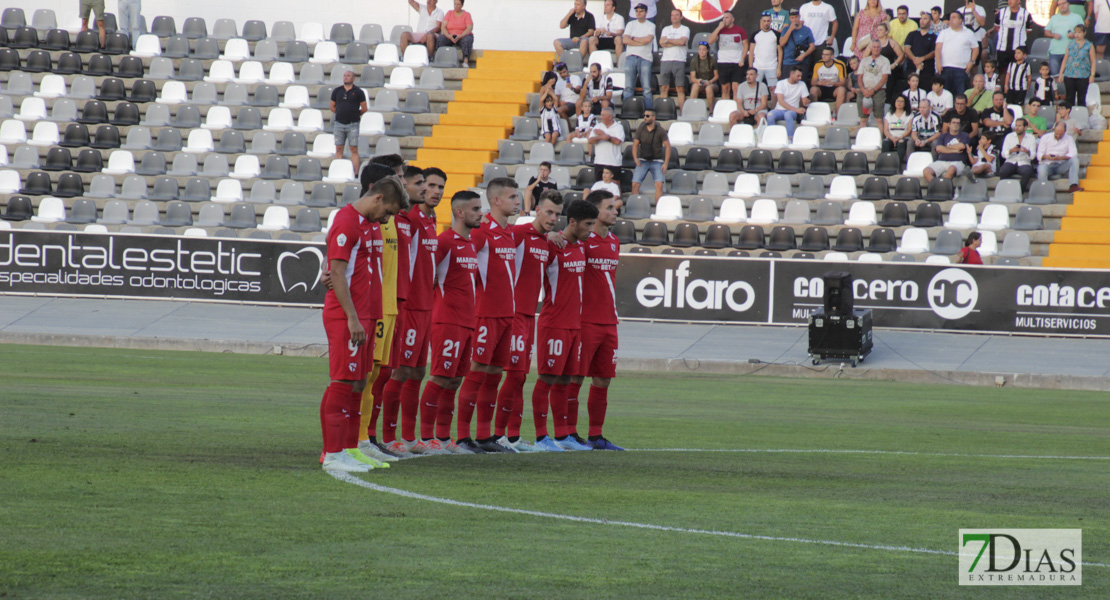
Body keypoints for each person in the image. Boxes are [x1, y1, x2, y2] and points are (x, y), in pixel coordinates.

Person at [318, 176, 406, 472]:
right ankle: (333, 453)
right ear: (377, 199)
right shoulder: (349, 222)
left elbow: (333, 258)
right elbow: (339, 274)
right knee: (343, 382)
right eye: (389, 211)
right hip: (348, 316)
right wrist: (353, 318)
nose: (388, 218)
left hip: (366, 315)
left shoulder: (368, 224)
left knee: (358, 383)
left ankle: (350, 448)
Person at [454, 178, 521, 453]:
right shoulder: (482, 232)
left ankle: (484, 436)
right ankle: (462, 437)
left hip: (507, 316)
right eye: (513, 197)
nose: (518, 201)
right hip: (484, 315)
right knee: (477, 372)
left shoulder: (510, 233)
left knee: (494, 374)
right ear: (496, 200)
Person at [492, 189, 563, 452]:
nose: (553, 218)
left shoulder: (547, 241)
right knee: (513, 376)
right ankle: (499, 435)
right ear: (537, 210)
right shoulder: (518, 234)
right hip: (512, 316)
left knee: (519, 377)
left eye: (557, 214)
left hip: (529, 316)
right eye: (548, 212)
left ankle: (512, 437)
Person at [383, 166, 445, 456]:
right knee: (399, 370)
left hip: (425, 306)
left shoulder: (429, 221)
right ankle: (386, 436)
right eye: (426, 184)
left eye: (436, 186)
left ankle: (409, 437)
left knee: (418, 371)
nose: (431, 191)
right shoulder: (404, 218)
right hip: (407, 305)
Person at [530, 199, 599, 452]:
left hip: (574, 325)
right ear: (572, 222)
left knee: (565, 380)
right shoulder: (552, 245)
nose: (591, 229)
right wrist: (548, 235)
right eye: (588, 224)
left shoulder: (581, 246)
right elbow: (532, 241)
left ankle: (562, 435)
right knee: (547, 378)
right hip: (554, 323)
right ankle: (540, 437)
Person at [421, 190, 483, 454]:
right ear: (460, 212)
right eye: (476, 209)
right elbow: (426, 276)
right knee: (439, 377)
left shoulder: (469, 243)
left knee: (454, 381)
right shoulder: (444, 241)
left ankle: (444, 438)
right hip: (447, 322)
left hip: (468, 323)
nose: (480, 213)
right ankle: (425, 438)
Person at [568, 190, 624, 451]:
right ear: (596, 211)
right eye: (610, 207)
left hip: (609, 321)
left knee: (603, 379)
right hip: (585, 321)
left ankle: (596, 436)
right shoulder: (582, 242)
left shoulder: (614, 241)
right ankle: (567, 433)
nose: (615, 212)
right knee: (575, 378)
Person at [330, 71, 367, 171]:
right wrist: (339, 113)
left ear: (353, 78)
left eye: (348, 76)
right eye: (344, 75)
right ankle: (337, 171)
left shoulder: (359, 92)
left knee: (354, 150)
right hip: (339, 124)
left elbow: (364, 108)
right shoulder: (337, 91)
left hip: (353, 125)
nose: (346, 78)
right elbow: (332, 106)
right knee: (338, 149)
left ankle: (355, 173)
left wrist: (355, 114)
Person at [936, 11, 980, 96]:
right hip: (945, 68)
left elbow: (975, 48)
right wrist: (938, 62)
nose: (951, 19)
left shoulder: (969, 33)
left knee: (960, 94)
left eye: (954, 17)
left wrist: (972, 61)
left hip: (961, 69)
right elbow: (938, 48)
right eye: (950, 18)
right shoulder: (944, 32)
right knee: (944, 93)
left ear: (960, 20)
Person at [622, 3, 657, 109]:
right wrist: (640, 41)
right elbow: (625, 40)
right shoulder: (630, 24)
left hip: (645, 58)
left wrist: (633, 38)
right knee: (628, 87)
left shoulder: (651, 25)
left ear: (646, 12)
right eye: (637, 11)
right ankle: (627, 110)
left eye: (641, 11)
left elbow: (648, 40)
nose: (638, 13)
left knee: (646, 88)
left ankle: (649, 112)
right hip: (631, 57)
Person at [709, 11, 749, 101]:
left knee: (736, 88)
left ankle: (735, 110)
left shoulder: (740, 30)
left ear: (732, 19)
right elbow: (710, 41)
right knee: (725, 89)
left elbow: (746, 45)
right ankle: (726, 110)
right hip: (723, 62)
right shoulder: (720, 30)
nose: (725, 19)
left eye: (727, 17)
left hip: (736, 63)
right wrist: (719, 27)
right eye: (723, 18)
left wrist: (742, 59)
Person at [631, 108, 670, 199]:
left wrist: (665, 163)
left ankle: (658, 209)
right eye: (644, 116)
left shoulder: (660, 130)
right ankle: (634, 206)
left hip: (657, 161)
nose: (645, 118)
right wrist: (635, 158)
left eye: (647, 116)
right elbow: (635, 145)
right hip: (642, 160)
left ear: (654, 117)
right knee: (635, 184)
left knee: (659, 185)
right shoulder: (641, 129)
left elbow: (668, 146)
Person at [1037, 120, 1083, 192]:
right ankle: (1043, 190)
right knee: (1041, 169)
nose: (1058, 136)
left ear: (1065, 131)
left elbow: (1074, 154)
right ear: (1054, 129)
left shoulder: (1069, 138)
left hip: (1061, 164)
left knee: (1075, 160)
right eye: (1056, 133)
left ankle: (1073, 186)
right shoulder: (1045, 137)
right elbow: (1039, 154)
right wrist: (1047, 157)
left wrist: (1060, 157)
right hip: (1047, 164)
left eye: (1061, 134)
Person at [923, 115, 971, 182]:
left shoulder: (964, 135)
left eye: (958, 123)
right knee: (926, 171)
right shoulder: (943, 136)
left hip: (957, 162)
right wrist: (955, 151)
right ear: (949, 124)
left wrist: (946, 146)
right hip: (941, 161)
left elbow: (961, 146)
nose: (956, 124)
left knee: (951, 169)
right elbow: (939, 148)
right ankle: (937, 187)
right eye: (954, 122)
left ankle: (943, 188)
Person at [658, 9, 691, 109]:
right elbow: (662, 43)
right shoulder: (666, 29)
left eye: (677, 15)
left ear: (681, 17)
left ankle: (682, 112)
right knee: (664, 87)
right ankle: (663, 110)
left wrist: (668, 41)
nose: (674, 17)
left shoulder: (685, 29)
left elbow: (682, 42)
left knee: (680, 88)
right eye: (672, 15)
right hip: (666, 60)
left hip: (679, 60)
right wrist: (676, 42)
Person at [1059, 24, 1097, 108]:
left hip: (1083, 75)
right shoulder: (1070, 44)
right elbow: (1065, 59)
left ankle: (1081, 116)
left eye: (1079, 32)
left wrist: (1092, 75)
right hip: (1069, 74)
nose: (1077, 35)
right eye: (1075, 32)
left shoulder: (1089, 45)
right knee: (1069, 97)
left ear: (1084, 33)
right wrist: (1061, 73)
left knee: (1081, 98)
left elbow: (1093, 61)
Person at [993, 0, 1033, 77]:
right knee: (1002, 71)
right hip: (1002, 48)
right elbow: (996, 27)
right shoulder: (1001, 12)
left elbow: (1028, 30)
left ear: (1018, 1)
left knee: (1017, 72)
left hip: (1018, 49)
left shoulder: (1026, 14)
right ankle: (1003, 88)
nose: (1009, 1)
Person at [767, 66, 810, 138]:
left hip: (792, 112)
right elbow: (781, 102)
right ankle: (772, 137)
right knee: (770, 115)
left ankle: (790, 138)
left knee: (788, 115)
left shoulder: (802, 84)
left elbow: (804, 100)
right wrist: (796, 110)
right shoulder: (781, 83)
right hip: (781, 110)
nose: (800, 78)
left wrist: (806, 101)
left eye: (800, 76)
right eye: (798, 76)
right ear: (791, 75)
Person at [1047, 0, 1085, 76]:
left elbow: (1083, 32)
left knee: (1070, 76)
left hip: (1072, 51)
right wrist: (1053, 35)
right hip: (1055, 52)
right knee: (1055, 76)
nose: (1062, 6)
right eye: (1059, 4)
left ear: (1068, 4)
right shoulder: (1054, 18)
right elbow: (1046, 32)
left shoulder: (1077, 17)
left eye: (1064, 3)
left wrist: (1074, 35)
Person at [857, 40, 891, 121]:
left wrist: (873, 90)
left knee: (879, 119)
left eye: (878, 47)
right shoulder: (864, 60)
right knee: (863, 119)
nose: (876, 49)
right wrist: (863, 90)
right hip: (864, 90)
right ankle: (863, 133)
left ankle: (880, 134)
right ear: (871, 48)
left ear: (881, 48)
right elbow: (859, 77)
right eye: (874, 47)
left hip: (878, 91)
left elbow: (884, 78)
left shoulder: (885, 61)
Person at [999, 117, 1038, 188]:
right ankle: (1006, 190)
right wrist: (1011, 150)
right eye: (1016, 125)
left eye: (1019, 126)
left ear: (1025, 127)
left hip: (1024, 162)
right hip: (1011, 161)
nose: (1017, 128)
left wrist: (1027, 151)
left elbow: (1033, 156)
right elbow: (1003, 154)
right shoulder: (1009, 136)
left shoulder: (1031, 138)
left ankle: (1019, 191)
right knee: (1003, 171)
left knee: (1027, 172)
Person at [809, 47, 847, 117]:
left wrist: (832, 83)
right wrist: (818, 83)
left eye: (826, 55)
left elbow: (843, 83)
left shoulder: (840, 64)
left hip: (834, 88)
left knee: (842, 90)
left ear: (832, 56)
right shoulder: (818, 64)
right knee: (813, 90)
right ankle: (814, 115)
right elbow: (812, 82)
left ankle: (838, 116)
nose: (823, 56)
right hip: (821, 88)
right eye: (823, 54)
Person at [903, 12, 938, 90]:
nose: (922, 21)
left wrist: (922, 59)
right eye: (921, 18)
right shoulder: (912, 34)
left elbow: (933, 52)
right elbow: (907, 49)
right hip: (911, 68)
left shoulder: (934, 36)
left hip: (927, 70)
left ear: (931, 22)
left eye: (925, 19)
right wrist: (915, 60)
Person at [780, 9, 816, 82]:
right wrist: (790, 30)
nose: (794, 19)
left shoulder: (806, 30)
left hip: (802, 62)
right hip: (788, 62)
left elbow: (812, 46)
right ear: (789, 19)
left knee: (801, 83)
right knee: (787, 83)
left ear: (799, 17)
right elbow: (782, 43)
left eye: (796, 17)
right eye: (792, 18)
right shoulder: (785, 29)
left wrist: (804, 55)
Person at [589, 107, 625, 180]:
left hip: (614, 162)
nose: (601, 117)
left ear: (610, 117)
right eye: (601, 115)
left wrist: (605, 135)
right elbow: (590, 140)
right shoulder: (598, 126)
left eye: (603, 115)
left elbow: (618, 141)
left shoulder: (618, 127)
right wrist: (601, 137)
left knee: (615, 184)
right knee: (599, 185)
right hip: (599, 161)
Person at [435, 0, 474, 68]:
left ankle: (465, 61)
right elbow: (443, 27)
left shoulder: (467, 15)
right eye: (455, 4)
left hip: (462, 35)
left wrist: (460, 36)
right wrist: (449, 36)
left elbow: (469, 28)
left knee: (467, 40)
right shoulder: (449, 13)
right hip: (450, 35)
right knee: (441, 39)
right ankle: (440, 59)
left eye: (458, 4)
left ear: (462, 5)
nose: (456, 6)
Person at [750, 14, 783, 89]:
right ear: (761, 21)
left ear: (771, 21)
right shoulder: (755, 35)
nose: (766, 23)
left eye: (768, 21)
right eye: (764, 21)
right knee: (756, 89)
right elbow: (751, 52)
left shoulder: (776, 34)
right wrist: (750, 67)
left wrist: (779, 67)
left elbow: (780, 51)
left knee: (773, 89)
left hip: (772, 66)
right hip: (757, 67)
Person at [875, 22, 907, 98]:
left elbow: (902, 55)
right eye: (877, 30)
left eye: (881, 30)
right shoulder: (873, 43)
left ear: (886, 32)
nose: (878, 31)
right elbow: (866, 57)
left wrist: (895, 64)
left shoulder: (891, 42)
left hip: (888, 71)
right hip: (876, 71)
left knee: (888, 92)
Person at [688, 41, 720, 109]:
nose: (701, 51)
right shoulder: (694, 61)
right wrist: (698, 81)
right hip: (700, 83)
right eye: (700, 49)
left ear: (707, 50)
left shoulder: (712, 60)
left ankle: (711, 111)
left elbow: (716, 76)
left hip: (711, 83)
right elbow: (692, 78)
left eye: (703, 50)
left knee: (708, 88)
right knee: (695, 86)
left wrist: (710, 82)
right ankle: (691, 109)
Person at [883, 94, 913, 162]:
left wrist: (900, 137)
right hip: (891, 137)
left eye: (901, 101)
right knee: (885, 143)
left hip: (903, 137)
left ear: (905, 104)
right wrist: (891, 138)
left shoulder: (909, 115)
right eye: (897, 101)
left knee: (901, 143)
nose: (899, 103)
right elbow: (886, 130)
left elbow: (909, 129)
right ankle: (885, 163)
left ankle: (897, 164)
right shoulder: (889, 114)